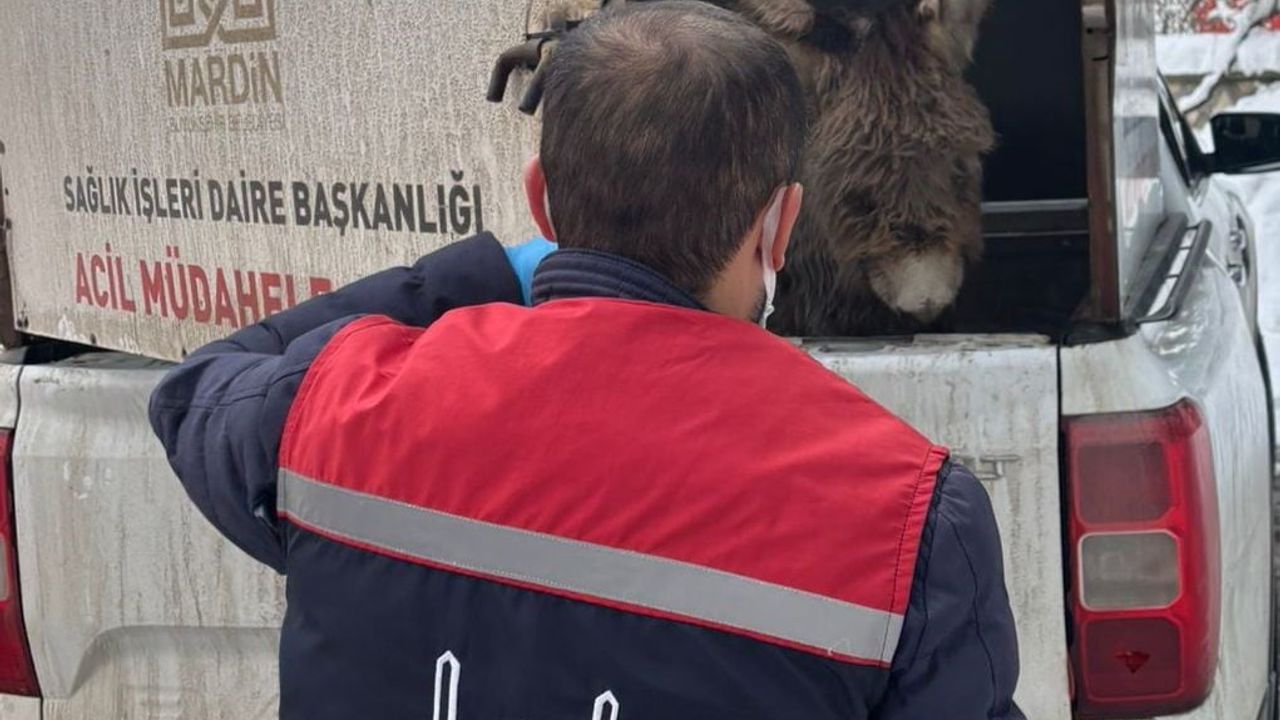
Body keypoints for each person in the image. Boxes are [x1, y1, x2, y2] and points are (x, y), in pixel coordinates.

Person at [150, 2, 1023, 718]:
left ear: (541, 201)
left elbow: (195, 392)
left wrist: (478, 272)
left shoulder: (334, 404)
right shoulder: (910, 520)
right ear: (781, 225)